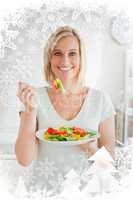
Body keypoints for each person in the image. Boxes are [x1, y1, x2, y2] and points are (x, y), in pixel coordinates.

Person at [15, 26, 116, 192]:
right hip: (43, 192)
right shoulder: (34, 98)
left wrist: (89, 147)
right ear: (49, 59)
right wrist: (30, 111)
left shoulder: (101, 100)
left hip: (87, 192)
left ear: (81, 58)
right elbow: (24, 160)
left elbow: (108, 167)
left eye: (72, 53)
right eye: (57, 53)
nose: (65, 61)